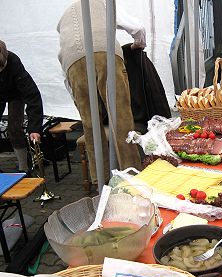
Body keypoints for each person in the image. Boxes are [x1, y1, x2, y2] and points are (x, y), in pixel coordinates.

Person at [57, 0, 144, 184]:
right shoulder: (103, 4)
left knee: (90, 125)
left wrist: (78, 100)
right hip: (106, 52)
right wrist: (138, 45)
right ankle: (132, 176)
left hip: (72, 62)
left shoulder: (64, 17)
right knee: (121, 120)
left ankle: (100, 181)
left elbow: (65, 73)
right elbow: (137, 28)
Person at [0, 40, 43, 173]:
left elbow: (33, 96)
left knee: (14, 128)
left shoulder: (14, 63)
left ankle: (24, 168)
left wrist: (35, 128)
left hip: (16, 95)